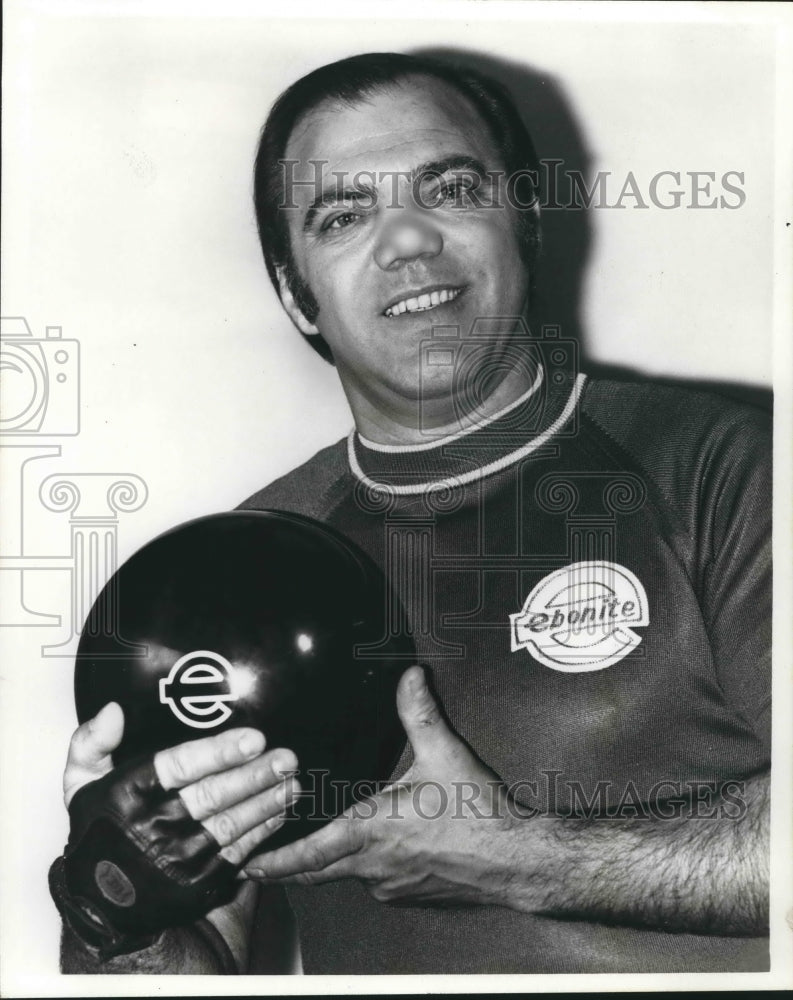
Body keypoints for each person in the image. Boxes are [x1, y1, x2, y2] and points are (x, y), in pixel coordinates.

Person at [53, 52, 771, 975]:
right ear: (294, 295)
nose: (406, 242)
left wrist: (528, 862)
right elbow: (198, 970)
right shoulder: (234, 576)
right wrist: (121, 910)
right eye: (345, 215)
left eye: (450, 188)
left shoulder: (724, 468)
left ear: (526, 218)